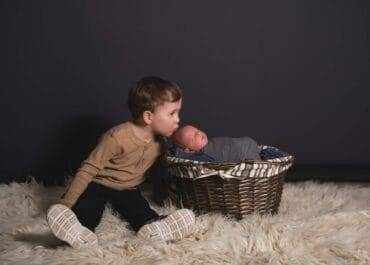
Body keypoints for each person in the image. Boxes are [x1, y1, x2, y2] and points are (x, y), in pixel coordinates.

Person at [46, 76, 195, 250]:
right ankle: (78, 230)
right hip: (99, 184)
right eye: (172, 113)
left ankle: (153, 227)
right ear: (148, 117)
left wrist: (160, 196)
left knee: (139, 208)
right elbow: (88, 168)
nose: (178, 119)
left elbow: (158, 172)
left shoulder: (160, 144)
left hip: (128, 188)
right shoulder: (117, 137)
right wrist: (66, 203)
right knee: (88, 208)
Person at [169, 125, 261, 162]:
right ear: (189, 150)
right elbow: (180, 156)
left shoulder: (211, 142)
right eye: (194, 136)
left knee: (248, 144)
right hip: (242, 155)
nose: (199, 133)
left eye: (197, 130)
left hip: (244, 144)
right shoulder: (201, 156)